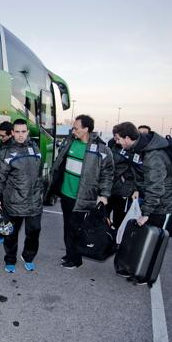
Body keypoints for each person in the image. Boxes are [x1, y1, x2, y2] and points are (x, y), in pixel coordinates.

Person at [49, 115, 113, 269]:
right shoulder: (69, 142)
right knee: (67, 226)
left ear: (86, 129)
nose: (73, 130)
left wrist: (104, 195)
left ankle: (75, 259)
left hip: (83, 198)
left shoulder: (101, 149)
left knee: (76, 228)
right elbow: (59, 163)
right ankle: (70, 253)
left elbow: (108, 174)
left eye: (76, 128)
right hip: (66, 194)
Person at [0, 119, 43, 272]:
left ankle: (28, 256)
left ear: (27, 132)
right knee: (11, 234)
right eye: (17, 132)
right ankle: (10, 260)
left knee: (34, 231)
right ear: (12, 133)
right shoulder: (5, 152)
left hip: (34, 201)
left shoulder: (35, 148)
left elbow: (39, 173)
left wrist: (41, 191)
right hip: (13, 201)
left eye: (23, 131)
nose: (20, 135)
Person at [112, 122, 172, 229]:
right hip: (156, 201)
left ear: (127, 138)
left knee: (156, 240)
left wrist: (146, 213)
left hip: (166, 204)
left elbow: (155, 185)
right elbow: (140, 172)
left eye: (118, 139)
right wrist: (136, 189)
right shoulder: (140, 148)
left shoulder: (152, 156)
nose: (117, 142)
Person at [106, 138, 142, 229]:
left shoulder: (135, 152)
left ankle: (116, 240)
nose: (116, 139)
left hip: (123, 190)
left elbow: (137, 173)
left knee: (119, 220)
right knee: (102, 217)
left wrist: (136, 189)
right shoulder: (111, 145)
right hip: (108, 189)